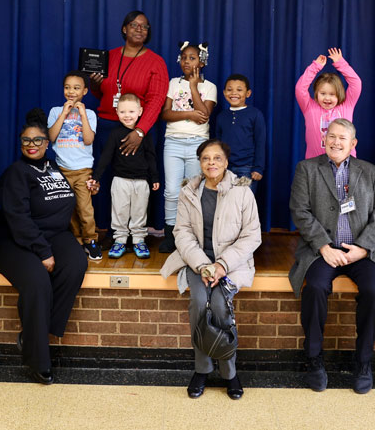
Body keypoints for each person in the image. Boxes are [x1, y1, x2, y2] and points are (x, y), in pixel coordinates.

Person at [288, 119, 375, 394]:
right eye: (331, 136)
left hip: (361, 251)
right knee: (316, 287)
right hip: (322, 250)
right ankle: (314, 358)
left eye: (342, 138)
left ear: (353, 144)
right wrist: (323, 246)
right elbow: (300, 211)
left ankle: (363, 361)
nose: (336, 142)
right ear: (324, 140)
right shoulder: (307, 169)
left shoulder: (370, 172)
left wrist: (365, 248)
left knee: (373, 290)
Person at [160, 139, 261, 400]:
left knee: (219, 305)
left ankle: (230, 372)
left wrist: (222, 265)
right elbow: (181, 232)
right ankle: (202, 369)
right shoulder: (189, 191)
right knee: (198, 301)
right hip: (198, 262)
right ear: (200, 162)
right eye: (206, 158)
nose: (211, 163)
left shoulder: (242, 192)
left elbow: (252, 236)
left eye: (217, 158)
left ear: (226, 162)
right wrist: (204, 265)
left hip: (231, 264)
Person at [0, 109, 88, 385]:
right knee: (37, 282)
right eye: (26, 141)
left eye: (37, 140)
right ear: (20, 144)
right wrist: (43, 252)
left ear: (47, 143)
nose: (32, 145)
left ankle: (40, 331)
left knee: (75, 264)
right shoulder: (16, 173)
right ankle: (38, 359)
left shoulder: (55, 168)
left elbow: (65, 201)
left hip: (54, 233)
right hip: (15, 239)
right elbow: (18, 219)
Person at [88, 10, 170, 230]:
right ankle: (106, 229)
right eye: (134, 25)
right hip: (106, 127)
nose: (139, 29)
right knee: (105, 180)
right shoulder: (109, 56)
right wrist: (95, 85)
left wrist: (140, 132)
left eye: (144, 26)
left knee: (135, 184)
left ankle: (137, 232)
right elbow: (103, 94)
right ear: (124, 29)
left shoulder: (156, 62)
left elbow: (156, 100)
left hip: (137, 130)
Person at [159, 42, 217, 253]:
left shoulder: (209, 87)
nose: (186, 61)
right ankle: (171, 234)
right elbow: (165, 114)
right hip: (173, 142)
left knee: (193, 191)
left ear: (201, 62)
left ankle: (191, 235)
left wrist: (193, 87)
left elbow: (204, 117)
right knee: (172, 191)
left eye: (192, 58)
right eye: (183, 57)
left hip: (197, 144)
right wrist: (189, 114)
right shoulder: (173, 83)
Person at [88, 94, 160, 259]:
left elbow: (151, 156)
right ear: (117, 112)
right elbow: (106, 157)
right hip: (120, 180)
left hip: (142, 181)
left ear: (140, 111)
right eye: (122, 112)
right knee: (119, 211)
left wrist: (154, 178)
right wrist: (96, 177)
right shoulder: (115, 134)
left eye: (131, 111)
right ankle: (119, 240)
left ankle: (138, 240)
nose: (127, 115)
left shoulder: (145, 134)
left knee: (139, 211)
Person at [48, 71, 100, 260]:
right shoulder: (55, 111)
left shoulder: (91, 114)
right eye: (67, 87)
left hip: (82, 171)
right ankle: (75, 240)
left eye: (76, 88)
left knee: (85, 208)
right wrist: (64, 113)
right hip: (61, 170)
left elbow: (88, 140)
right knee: (66, 210)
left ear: (85, 91)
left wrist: (83, 114)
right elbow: (51, 137)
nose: (71, 91)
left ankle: (90, 240)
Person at [294, 47, 362, 159]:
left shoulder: (347, 105)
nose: (327, 98)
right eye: (323, 93)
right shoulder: (309, 107)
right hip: (315, 164)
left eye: (332, 94)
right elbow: (300, 88)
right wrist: (315, 67)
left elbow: (356, 83)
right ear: (316, 93)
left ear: (339, 94)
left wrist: (340, 63)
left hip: (345, 160)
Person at [215, 74, 266, 194]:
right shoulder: (221, 116)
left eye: (239, 90)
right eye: (229, 89)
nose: (234, 93)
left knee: (244, 204)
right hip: (225, 168)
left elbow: (260, 142)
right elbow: (218, 144)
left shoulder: (255, 114)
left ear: (248, 93)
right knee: (225, 203)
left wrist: (258, 168)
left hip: (247, 168)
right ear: (224, 92)